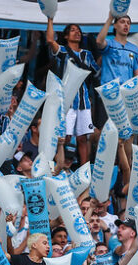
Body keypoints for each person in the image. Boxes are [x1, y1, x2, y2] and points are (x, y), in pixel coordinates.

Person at [45, 19, 99, 165]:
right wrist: (50, 18)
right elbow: (50, 39)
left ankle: (83, 170)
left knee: (83, 138)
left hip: (83, 101)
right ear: (66, 36)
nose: (77, 32)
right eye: (73, 30)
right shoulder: (62, 51)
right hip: (66, 101)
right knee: (65, 137)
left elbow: (96, 71)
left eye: (79, 30)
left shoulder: (87, 55)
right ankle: (59, 167)